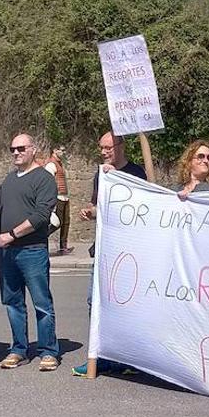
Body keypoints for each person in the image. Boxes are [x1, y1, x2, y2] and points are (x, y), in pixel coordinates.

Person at [72, 132, 147, 378]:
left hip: (128, 250)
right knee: (96, 303)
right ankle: (100, 357)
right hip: (103, 249)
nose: (104, 152)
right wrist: (90, 212)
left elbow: (143, 208)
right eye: (101, 148)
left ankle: (128, 359)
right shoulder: (100, 174)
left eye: (108, 147)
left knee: (127, 305)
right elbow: (98, 206)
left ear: (121, 146)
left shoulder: (137, 173)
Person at [0, 133, 60, 371]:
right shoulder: (9, 180)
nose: (16, 153)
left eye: (21, 148)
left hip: (32, 250)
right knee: (12, 302)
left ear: (33, 149)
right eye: (12, 149)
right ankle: (18, 349)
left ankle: (49, 350)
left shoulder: (43, 179)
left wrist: (11, 234)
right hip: (7, 254)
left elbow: (41, 216)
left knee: (41, 302)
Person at [42, 146, 72, 255]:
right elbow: (48, 182)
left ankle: (63, 247)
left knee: (66, 222)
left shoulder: (59, 164)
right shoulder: (51, 164)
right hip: (57, 197)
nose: (63, 152)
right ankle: (41, 239)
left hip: (64, 196)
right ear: (55, 150)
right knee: (56, 223)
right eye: (61, 150)